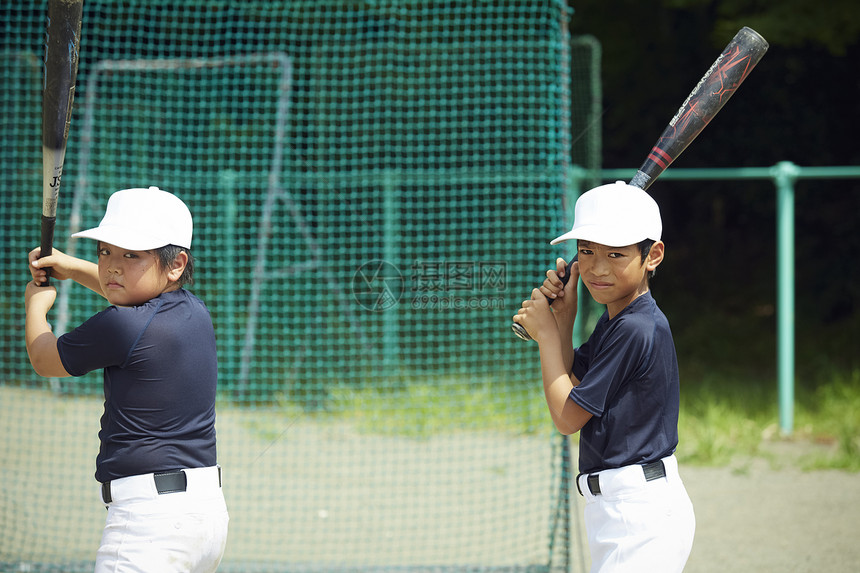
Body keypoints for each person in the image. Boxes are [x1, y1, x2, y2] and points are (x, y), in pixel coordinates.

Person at [24, 186, 229, 572]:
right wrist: (71, 265)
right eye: (105, 251)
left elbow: (43, 357)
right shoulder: (194, 310)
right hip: (205, 518)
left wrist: (35, 306)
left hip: (148, 525)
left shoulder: (121, 325)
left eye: (131, 255)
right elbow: (125, 291)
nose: (112, 266)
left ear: (176, 264)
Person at [512, 181, 695, 572]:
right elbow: (570, 378)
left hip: (641, 517)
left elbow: (567, 416)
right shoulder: (617, 319)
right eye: (587, 251)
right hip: (617, 512)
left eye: (615, 253)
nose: (597, 267)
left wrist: (544, 334)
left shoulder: (636, 327)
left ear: (653, 255)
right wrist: (563, 318)